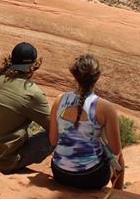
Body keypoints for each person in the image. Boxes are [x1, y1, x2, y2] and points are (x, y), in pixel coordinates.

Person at [0, 42, 52, 173]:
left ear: (11, 60)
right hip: (4, 161)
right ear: (33, 66)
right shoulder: (31, 92)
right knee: (57, 131)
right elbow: (54, 128)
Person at [49, 54, 125, 190]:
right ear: (97, 76)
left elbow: (53, 141)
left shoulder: (59, 100)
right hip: (92, 177)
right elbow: (116, 150)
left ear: (75, 75)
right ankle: (118, 194)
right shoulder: (105, 107)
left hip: (60, 173)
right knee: (119, 156)